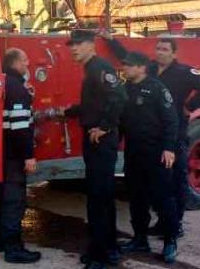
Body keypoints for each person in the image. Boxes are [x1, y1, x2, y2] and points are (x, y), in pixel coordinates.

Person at [101, 33, 200, 237]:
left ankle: (175, 224)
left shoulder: (184, 72)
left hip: (174, 130)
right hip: (151, 134)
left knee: (175, 179)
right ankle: (159, 224)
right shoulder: (150, 68)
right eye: (158, 49)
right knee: (152, 184)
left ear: (173, 53)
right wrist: (110, 40)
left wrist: (190, 106)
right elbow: (127, 56)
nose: (160, 53)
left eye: (165, 50)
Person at [63, 30, 127, 269]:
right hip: (97, 139)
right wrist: (72, 111)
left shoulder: (99, 67)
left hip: (100, 141)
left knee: (98, 198)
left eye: (78, 44)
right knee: (103, 196)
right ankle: (109, 248)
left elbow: (119, 96)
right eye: (72, 45)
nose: (73, 49)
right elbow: (97, 103)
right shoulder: (91, 68)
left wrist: (105, 127)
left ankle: (99, 256)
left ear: (91, 45)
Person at [118, 51, 179, 263]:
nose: (124, 68)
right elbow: (120, 121)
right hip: (134, 153)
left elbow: (171, 121)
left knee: (162, 198)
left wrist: (169, 148)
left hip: (157, 154)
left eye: (128, 65)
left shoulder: (157, 89)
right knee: (137, 198)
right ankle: (140, 238)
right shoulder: (125, 89)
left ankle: (170, 241)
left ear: (141, 68)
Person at [0, 48, 42, 264]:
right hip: (12, 157)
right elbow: (20, 128)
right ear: (16, 63)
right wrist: (28, 156)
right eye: (26, 60)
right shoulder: (17, 89)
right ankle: (14, 249)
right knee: (13, 202)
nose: (28, 64)